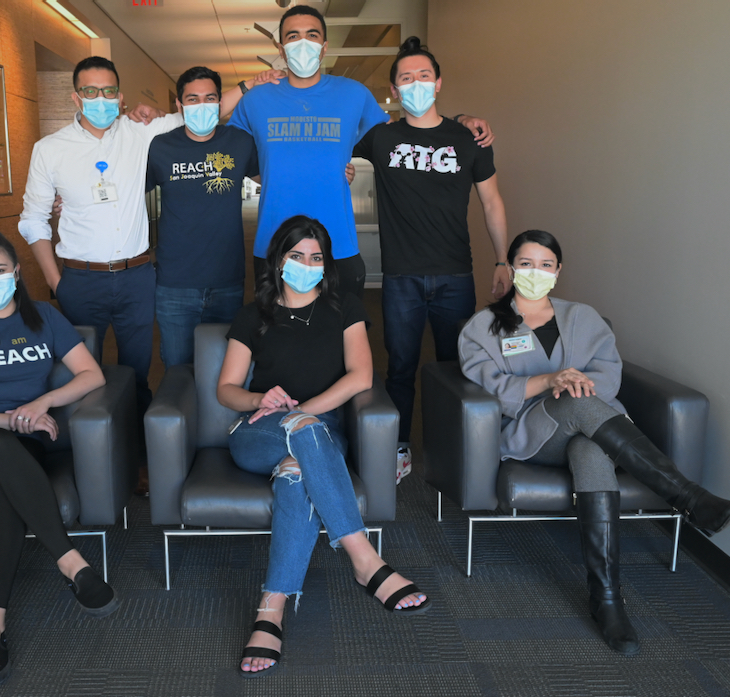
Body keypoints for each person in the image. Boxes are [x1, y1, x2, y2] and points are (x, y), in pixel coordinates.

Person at [457, 229, 730, 656]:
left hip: (591, 427)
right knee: (576, 401)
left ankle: (607, 600)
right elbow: (491, 385)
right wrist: (552, 381)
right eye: (525, 263)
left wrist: (573, 382)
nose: (536, 272)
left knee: (590, 446)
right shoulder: (483, 326)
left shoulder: (583, 317)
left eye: (546, 265)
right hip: (532, 434)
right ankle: (688, 496)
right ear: (510, 267)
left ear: (559, 270)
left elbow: (609, 372)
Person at [217, 215, 430, 678]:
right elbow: (226, 389)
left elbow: (361, 375)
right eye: (297, 256)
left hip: (317, 431)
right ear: (278, 260)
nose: (307, 264)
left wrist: (304, 411)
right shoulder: (255, 314)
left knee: (297, 472)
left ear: (326, 265)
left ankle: (270, 610)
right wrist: (261, 399)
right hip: (257, 432)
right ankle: (364, 559)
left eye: (316, 257)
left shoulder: (344, 307)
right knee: (304, 434)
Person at [19, 56, 276, 414]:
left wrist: (251, 84)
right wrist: (55, 281)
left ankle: (142, 446)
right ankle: (89, 450)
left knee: (137, 373)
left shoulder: (142, 133)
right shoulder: (50, 149)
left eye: (108, 91)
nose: (100, 99)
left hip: (137, 276)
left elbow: (201, 110)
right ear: (75, 98)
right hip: (79, 278)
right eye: (90, 91)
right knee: (79, 371)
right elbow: (33, 218)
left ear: (120, 98)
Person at [0, 227, 117, 687]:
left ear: (15, 272)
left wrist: (43, 403)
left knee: (1, 489)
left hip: (19, 445)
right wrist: (9, 420)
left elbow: (91, 376)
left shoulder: (45, 319)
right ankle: (71, 562)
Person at [227, 6, 493, 298]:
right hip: (272, 243)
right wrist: (268, 175)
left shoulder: (354, 94)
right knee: (276, 337)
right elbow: (230, 147)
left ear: (324, 46)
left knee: (341, 336)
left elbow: (402, 133)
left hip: (337, 244)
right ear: (280, 47)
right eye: (293, 36)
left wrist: (459, 121)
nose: (303, 43)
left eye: (312, 35)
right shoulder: (256, 99)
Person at [354, 37, 510, 483]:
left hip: (455, 275)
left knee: (455, 369)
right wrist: (342, 166)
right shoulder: (381, 137)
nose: (416, 84)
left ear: (438, 83)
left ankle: (450, 451)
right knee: (399, 367)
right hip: (400, 277)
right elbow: (331, 150)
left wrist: (502, 260)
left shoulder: (469, 138)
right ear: (395, 89)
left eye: (424, 76)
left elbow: (492, 203)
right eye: (407, 78)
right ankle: (398, 449)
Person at [146, 66, 259, 367]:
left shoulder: (240, 141)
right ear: (179, 105)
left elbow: (277, 177)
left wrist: (332, 173)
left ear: (221, 103)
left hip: (227, 280)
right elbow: (127, 194)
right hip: (174, 283)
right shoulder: (160, 147)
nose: (202, 105)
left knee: (225, 368)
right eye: (192, 99)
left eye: (210, 98)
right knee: (177, 367)